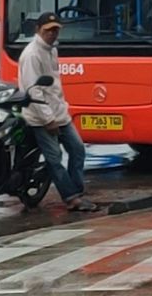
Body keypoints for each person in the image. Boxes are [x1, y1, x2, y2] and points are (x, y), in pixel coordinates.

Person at [18, 12, 99, 212]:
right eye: (48, 30)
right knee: (55, 159)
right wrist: (48, 119)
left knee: (78, 149)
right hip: (41, 118)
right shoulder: (31, 55)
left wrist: (61, 111)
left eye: (55, 30)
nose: (52, 34)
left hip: (59, 113)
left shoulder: (52, 50)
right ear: (38, 30)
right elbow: (33, 91)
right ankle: (71, 198)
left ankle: (77, 191)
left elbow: (53, 86)